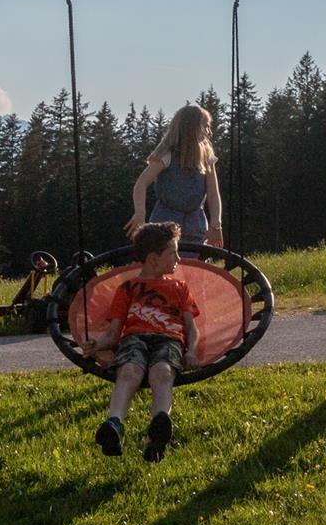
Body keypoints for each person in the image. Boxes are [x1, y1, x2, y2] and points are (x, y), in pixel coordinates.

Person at [87, 222, 200, 462]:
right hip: (134, 338)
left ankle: (160, 426)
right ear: (153, 259)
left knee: (162, 371)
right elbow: (114, 332)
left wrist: (191, 351)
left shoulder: (179, 288)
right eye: (173, 253)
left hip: (169, 340)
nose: (178, 259)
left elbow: (191, 328)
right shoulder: (128, 288)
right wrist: (98, 345)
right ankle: (114, 424)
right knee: (129, 371)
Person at [126, 103, 224, 248]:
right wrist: (140, 213)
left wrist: (216, 224)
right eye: (206, 126)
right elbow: (141, 184)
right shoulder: (167, 155)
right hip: (164, 228)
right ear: (191, 127)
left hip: (195, 227)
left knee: (193, 260)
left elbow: (213, 194)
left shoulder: (207, 158)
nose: (209, 132)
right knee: (165, 258)